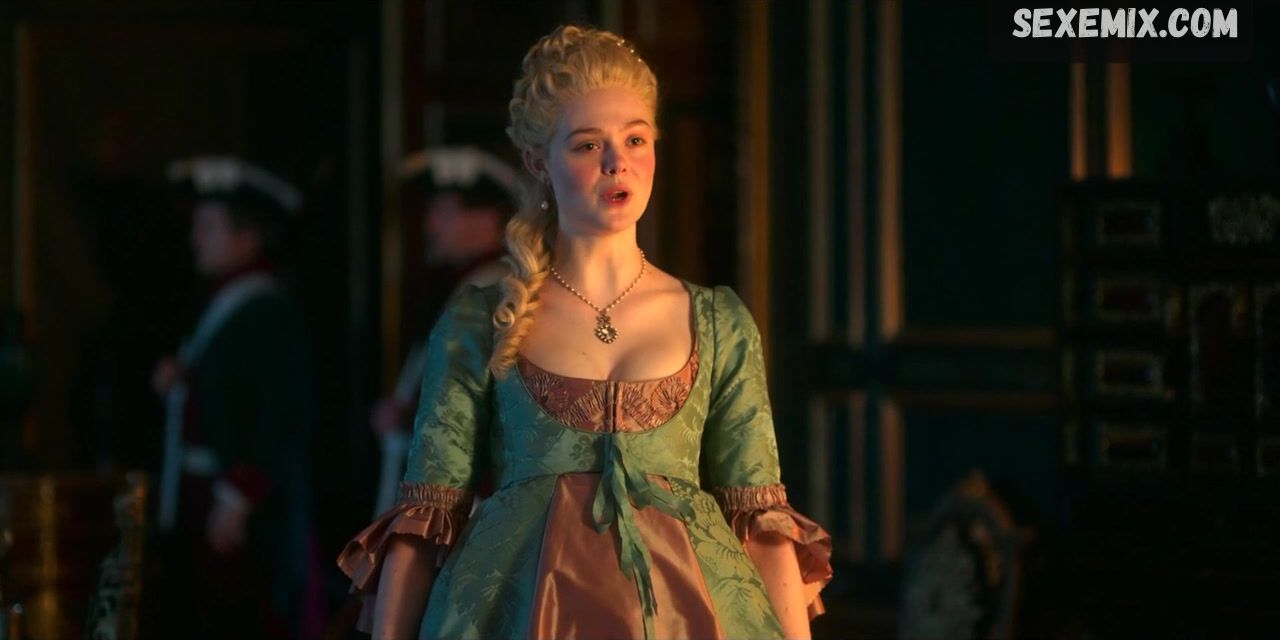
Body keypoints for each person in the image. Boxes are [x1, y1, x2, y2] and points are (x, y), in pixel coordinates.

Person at [338, 26, 832, 639]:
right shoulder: (480, 319)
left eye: (635, 139)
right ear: (537, 162)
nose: (617, 162)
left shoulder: (718, 320)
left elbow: (762, 523)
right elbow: (425, 517)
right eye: (588, 144)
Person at [152, 156, 320, 639]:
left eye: (208, 227)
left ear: (247, 238)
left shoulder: (266, 310)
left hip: (238, 518)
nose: (195, 239)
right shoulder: (220, 303)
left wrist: (238, 496)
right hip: (196, 501)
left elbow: (281, 414)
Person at [370, 147, 516, 514]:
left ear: (487, 218)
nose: (431, 225)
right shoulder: (460, 287)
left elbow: (481, 405)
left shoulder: (495, 294)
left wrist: (408, 417)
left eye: (446, 212)